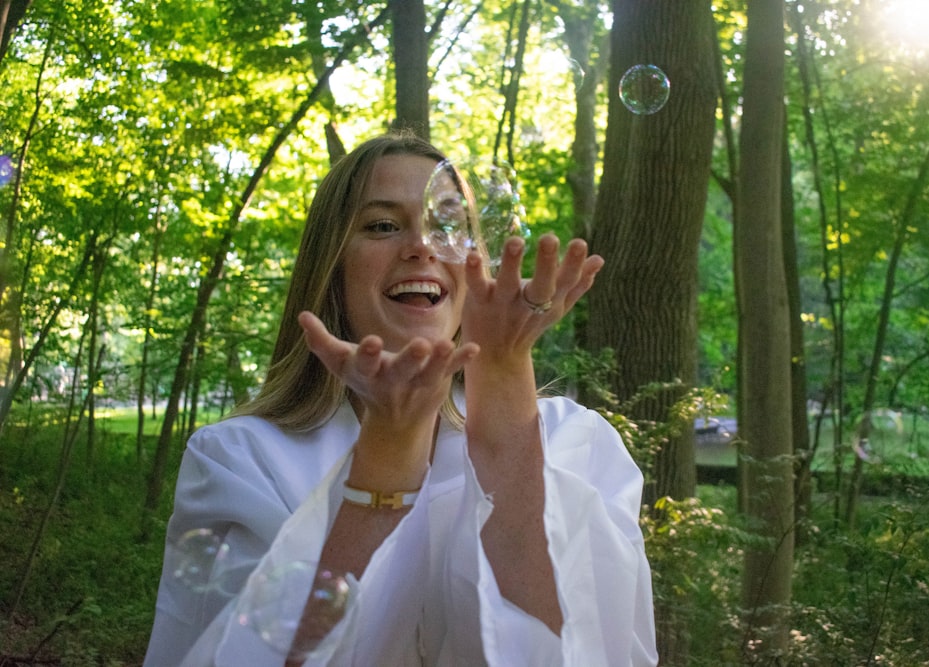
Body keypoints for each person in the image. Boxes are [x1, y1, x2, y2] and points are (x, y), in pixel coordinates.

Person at [144, 132, 657, 666]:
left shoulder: (576, 440)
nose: (423, 247)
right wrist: (389, 449)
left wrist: (503, 372)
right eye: (383, 226)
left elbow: (587, 649)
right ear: (332, 266)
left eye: (448, 225)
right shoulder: (240, 458)